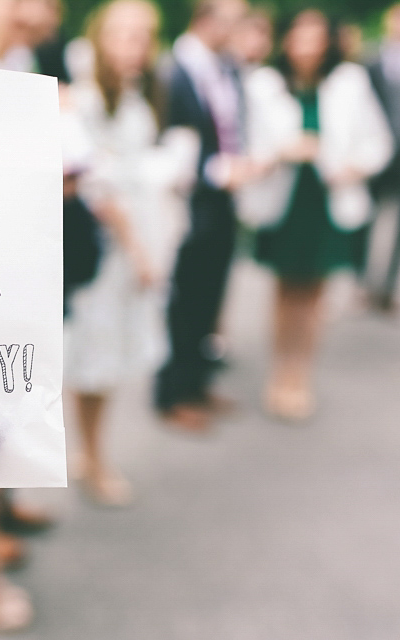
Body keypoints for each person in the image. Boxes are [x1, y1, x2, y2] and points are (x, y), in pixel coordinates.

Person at [65, 0, 198, 503]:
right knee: (95, 356)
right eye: (124, 34)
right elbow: (101, 189)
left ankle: (89, 452)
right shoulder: (84, 95)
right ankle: (94, 459)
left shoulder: (137, 91)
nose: (134, 46)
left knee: (106, 355)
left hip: (132, 240)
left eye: (143, 36)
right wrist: (142, 253)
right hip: (105, 250)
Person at [237, 8, 393, 420]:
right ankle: (279, 370)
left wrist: (353, 167)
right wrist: (281, 153)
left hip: (328, 201)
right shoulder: (263, 85)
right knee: (285, 291)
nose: (307, 46)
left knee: (314, 295)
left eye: (316, 37)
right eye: (299, 37)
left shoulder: (349, 83)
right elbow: (247, 147)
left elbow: (378, 142)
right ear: (285, 40)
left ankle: (300, 374)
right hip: (284, 201)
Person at [153, 0, 251, 432]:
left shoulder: (227, 68)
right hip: (187, 201)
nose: (239, 29)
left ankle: (198, 381)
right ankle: (173, 392)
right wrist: (218, 171)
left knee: (212, 295)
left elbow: (230, 128)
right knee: (184, 300)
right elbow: (167, 138)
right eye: (233, 20)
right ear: (207, 19)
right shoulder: (171, 70)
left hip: (226, 199)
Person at [366, 2, 400, 312]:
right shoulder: (372, 58)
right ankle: (362, 282)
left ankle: (388, 286)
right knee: (366, 212)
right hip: (376, 147)